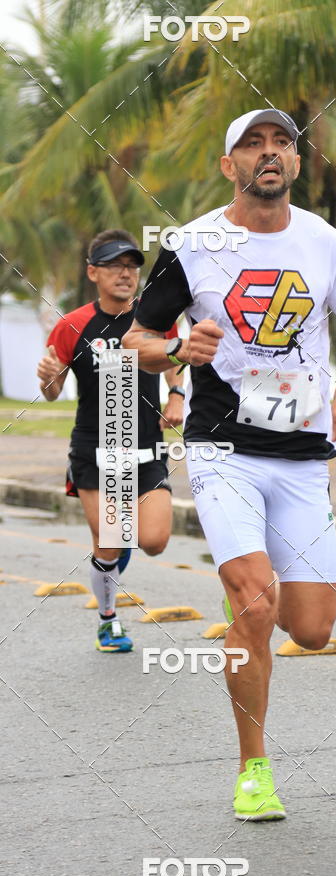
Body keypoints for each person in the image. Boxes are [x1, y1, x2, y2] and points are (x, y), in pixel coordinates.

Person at [122, 109, 336, 820]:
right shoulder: (195, 243)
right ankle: (254, 768)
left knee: (310, 630)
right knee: (256, 603)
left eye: (282, 144)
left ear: (297, 165)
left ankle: (252, 601)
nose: (269, 154)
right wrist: (178, 351)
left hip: (302, 456)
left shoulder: (326, 244)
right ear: (228, 165)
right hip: (221, 447)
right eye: (252, 144)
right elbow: (136, 339)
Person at [36, 229, 184, 653]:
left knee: (153, 541)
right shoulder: (73, 326)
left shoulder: (155, 317)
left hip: (145, 444)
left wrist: (176, 395)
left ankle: (115, 561)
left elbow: (175, 359)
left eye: (132, 266)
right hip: (95, 449)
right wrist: (47, 378)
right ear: (93, 272)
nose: (126, 273)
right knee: (113, 537)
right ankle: (108, 619)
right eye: (115, 265)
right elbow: (51, 390)